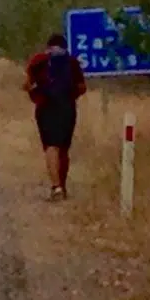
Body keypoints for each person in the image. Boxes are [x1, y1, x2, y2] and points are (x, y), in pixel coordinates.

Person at [25, 31, 88, 201]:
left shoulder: (39, 60)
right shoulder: (72, 62)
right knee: (63, 149)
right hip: (67, 108)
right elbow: (82, 87)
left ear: (48, 46)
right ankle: (63, 186)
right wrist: (70, 95)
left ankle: (56, 187)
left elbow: (27, 84)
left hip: (45, 107)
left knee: (51, 147)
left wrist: (36, 92)